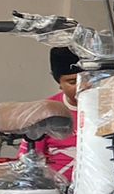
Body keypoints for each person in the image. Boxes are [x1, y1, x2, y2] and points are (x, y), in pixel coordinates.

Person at [23, 47, 80, 182]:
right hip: (57, 191)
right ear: (59, 83)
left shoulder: (107, 108)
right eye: (72, 82)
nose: (81, 86)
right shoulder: (45, 112)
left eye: (88, 79)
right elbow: (28, 160)